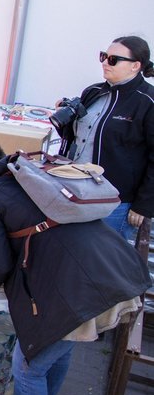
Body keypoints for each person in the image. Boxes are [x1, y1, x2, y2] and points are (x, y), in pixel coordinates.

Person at [0, 143, 150, 395]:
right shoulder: (28, 176)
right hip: (107, 268)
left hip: (75, 285)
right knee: (62, 346)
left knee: (28, 367)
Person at [57, 35, 154, 241]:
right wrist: (64, 120)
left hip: (115, 201)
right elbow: (78, 138)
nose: (104, 63)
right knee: (71, 250)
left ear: (135, 66)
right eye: (103, 56)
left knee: (104, 257)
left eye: (113, 59)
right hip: (76, 190)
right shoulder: (93, 92)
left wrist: (144, 205)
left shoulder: (148, 101)